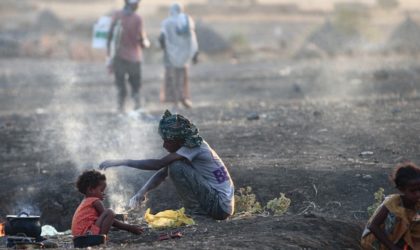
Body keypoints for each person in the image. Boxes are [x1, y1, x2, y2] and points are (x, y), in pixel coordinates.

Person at [99, 110, 234, 220]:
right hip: (221, 205)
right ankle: (198, 213)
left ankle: (197, 214)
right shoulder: (189, 147)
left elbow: (159, 164)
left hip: (219, 206)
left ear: (178, 139)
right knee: (174, 166)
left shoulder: (193, 148)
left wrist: (122, 162)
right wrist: (141, 193)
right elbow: (164, 171)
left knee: (176, 167)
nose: (164, 145)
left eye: (167, 141)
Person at [361, 162, 420, 250]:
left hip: (402, 239)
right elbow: (373, 226)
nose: (418, 194)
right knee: (400, 217)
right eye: (413, 191)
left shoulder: (417, 203)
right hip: (379, 242)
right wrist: (392, 247)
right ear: (401, 189)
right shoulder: (393, 202)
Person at [71, 170, 143, 237]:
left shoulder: (85, 202)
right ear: (90, 190)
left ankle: (97, 237)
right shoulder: (95, 201)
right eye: (101, 191)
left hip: (78, 238)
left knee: (106, 213)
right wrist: (130, 228)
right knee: (109, 212)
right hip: (87, 235)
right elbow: (111, 220)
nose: (103, 193)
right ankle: (100, 238)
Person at [107, 0, 149, 112]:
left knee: (120, 85)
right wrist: (145, 43)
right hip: (134, 58)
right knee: (135, 85)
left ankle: (120, 108)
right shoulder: (137, 18)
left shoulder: (117, 15)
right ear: (131, 4)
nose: (138, 6)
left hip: (118, 57)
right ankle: (137, 106)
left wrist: (109, 56)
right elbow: (142, 39)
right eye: (136, 4)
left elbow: (110, 36)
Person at [159, 3, 199, 108]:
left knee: (171, 76)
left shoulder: (166, 22)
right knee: (182, 76)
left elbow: (162, 38)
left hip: (170, 55)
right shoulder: (186, 20)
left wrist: (165, 49)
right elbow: (193, 38)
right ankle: (183, 97)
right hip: (183, 55)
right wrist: (194, 53)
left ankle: (174, 101)